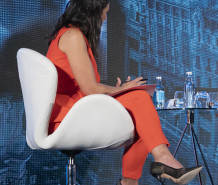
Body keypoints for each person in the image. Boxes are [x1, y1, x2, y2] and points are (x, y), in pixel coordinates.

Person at [46, 1, 202, 185]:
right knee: (139, 99)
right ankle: (158, 161)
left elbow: (87, 88)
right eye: (105, 13)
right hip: (65, 117)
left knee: (142, 115)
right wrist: (122, 90)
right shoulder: (73, 36)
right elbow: (90, 89)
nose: (105, 18)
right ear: (93, 11)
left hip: (77, 109)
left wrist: (118, 90)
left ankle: (134, 179)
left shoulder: (73, 34)